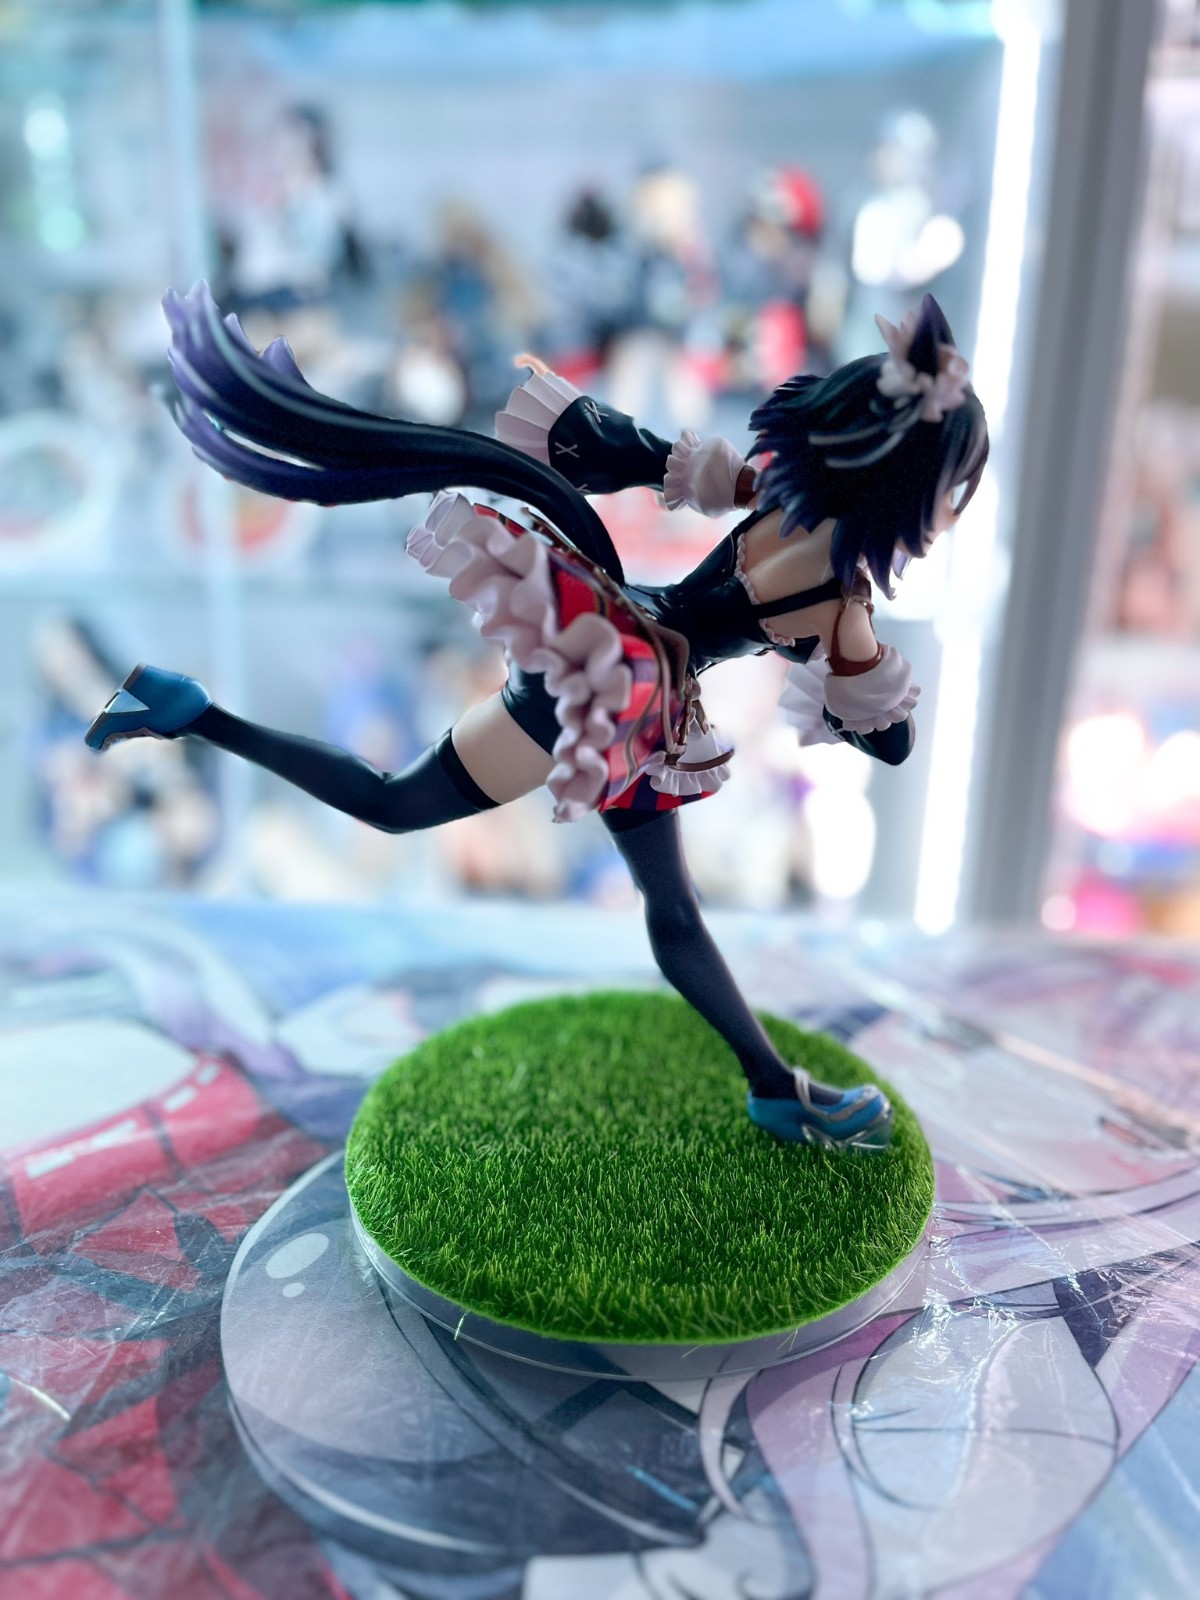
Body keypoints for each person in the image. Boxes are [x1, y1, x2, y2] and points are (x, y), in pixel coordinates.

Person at [85, 283, 987, 1151]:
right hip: (618, 688)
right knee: (413, 812)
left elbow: (676, 472)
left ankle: (774, 1087)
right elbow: (891, 740)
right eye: (954, 492)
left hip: (624, 666)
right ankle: (193, 715)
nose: (949, 514)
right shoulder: (840, 596)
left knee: (663, 905)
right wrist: (865, 663)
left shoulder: (781, 493)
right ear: (911, 484)